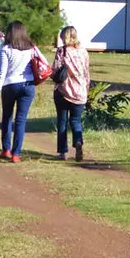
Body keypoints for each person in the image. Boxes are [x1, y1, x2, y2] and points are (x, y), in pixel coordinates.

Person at [0, 21, 43, 161]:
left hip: (10, 85)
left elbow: (1, 72)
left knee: (7, 117)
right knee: (21, 120)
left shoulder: (6, 49)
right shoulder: (31, 48)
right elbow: (43, 61)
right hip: (28, 85)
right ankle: (16, 154)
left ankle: (6, 150)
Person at [51, 26, 91, 161]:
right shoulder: (84, 52)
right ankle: (78, 142)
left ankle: (63, 152)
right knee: (76, 121)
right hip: (80, 92)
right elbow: (86, 73)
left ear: (65, 37)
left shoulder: (62, 51)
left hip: (63, 91)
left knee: (62, 122)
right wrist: (87, 88)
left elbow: (55, 69)